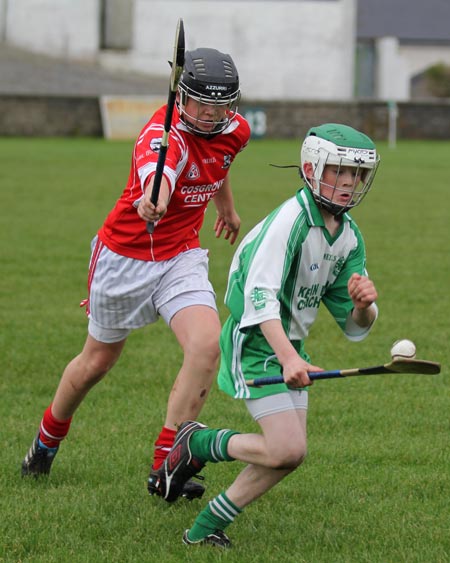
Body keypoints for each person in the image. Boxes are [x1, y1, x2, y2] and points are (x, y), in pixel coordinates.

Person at [21, 47, 251, 501]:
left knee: (207, 344)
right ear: (181, 98)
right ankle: (46, 441)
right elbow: (159, 177)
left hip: (180, 255)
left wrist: (225, 206)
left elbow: (219, 162)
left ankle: (166, 467)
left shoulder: (235, 130)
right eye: (201, 104)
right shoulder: (161, 138)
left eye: (220, 105)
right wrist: (154, 199)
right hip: (124, 258)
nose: (210, 115)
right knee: (96, 364)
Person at [157, 123, 381, 547]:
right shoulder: (290, 222)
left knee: (287, 456)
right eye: (339, 171)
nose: (350, 184)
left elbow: (355, 326)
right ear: (313, 169)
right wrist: (289, 358)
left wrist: (363, 304)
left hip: (288, 347)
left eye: (357, 176)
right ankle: (199, 442)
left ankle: (204, 528)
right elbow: (259, 300)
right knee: (287, 449)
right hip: (255, 342)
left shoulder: (348, 236)